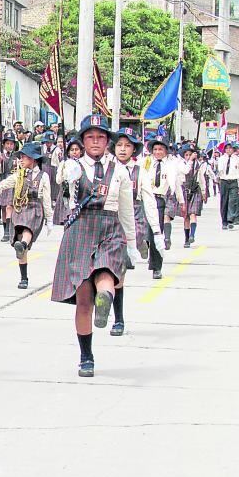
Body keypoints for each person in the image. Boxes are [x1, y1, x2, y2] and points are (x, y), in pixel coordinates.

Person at [51, 115, 140, 378]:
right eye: (90, 137)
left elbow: (126, 210)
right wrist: (68, 173)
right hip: (81, 228)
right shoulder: (73, 167)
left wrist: (132, 244)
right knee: (83, 299)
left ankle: (106, 301)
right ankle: (86, 356)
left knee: (106, 272)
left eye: (101, 137)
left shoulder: (120, 171)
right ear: (82, 140)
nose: (96, 142)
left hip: (109, 227)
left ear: (107, 141)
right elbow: (64, 188)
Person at [0, 142, 53, 289]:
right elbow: (2, 185)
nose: (21, 160)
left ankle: (23, 244)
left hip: (34, 209)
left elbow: (47, 199)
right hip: (19, 209)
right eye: (20, 157)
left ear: (33, 159)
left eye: (24, 157)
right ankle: (24, 276)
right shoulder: (18, 176)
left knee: (27, 229)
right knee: (20, 243)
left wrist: (49, 219)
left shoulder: (43, 177)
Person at [108, 128, 162, 336]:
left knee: (119, 271)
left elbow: (149, 201)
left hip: (132, 218)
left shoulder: (141, 172)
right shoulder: (106, 167)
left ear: (134, 150)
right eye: (119, 145)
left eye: (127, 146)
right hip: (108, 219)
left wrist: (156, 232)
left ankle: (118, 319)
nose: (123, 149)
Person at [140, 135, 174, 279]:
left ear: (166, 150)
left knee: (157, 233)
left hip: (160, 200)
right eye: (155, 149)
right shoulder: (146, 162)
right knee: (145, 230)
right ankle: (145, 247)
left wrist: (180, 200)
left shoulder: (171, 164)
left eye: (161, 149)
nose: (158, 152)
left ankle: (157, 267)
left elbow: (175, 183)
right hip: (146, 198)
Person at [0, 131, 19, 242]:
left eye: (11, 144)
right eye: (7, 143)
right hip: (2, 181)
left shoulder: (16, 156)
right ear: (3, 144)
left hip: (12, 183)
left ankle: (8, 230)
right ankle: (5, 231)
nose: (9, 146)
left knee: (9, 206)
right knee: (3, 208)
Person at [53, 138, 83, 226]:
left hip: (80, 194)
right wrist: (63, 170)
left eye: (76, 149)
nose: (74, 152)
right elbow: (58, 180)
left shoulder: (84, 163)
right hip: (66, 194)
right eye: (72, 150)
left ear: (81, 151)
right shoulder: (64, 163)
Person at [217, 142, 239, 229]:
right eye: (227, 148)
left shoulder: (237, 159)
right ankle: (224, 221)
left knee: (232, 200)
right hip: (224, 181)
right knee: (224, 201)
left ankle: (230, 219)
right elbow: (220, 170)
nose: (228, 150)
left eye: (230, 148)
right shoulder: (221, 159)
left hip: (234, 181)